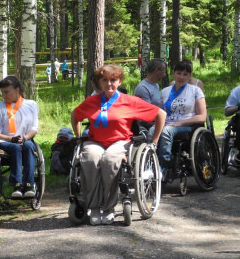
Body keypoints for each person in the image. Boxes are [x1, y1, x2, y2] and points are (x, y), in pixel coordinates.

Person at [71, 64, 166, 226]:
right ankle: (94, 207)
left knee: (109, 160)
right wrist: (78, 137)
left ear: (119, 82)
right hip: (95, 141)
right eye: (105, 80)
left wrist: (155, 141)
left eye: (113, 80)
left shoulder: (130, 101)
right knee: (90, 158)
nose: (109, 84)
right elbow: (75, 115)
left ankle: (108, 208)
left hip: (120, 142)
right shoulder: (91, 101)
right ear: (99, 83)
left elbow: (160, 114)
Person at [0, 76, 39, 198]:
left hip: (25, 139)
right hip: (4, 142)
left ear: (17, 90)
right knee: (15, 148)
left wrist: (25, 138)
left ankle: (28, 185)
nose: (3, 95)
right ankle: (17, 184)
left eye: (7, 92)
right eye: (2, 92)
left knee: (29, 146)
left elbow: (34, 128)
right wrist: (11, 139)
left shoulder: (31, 105)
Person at [157, 61, 207, 176]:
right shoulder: (165, 91)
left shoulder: (195, 90)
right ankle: (151, 163)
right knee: (150, 132)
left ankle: (164, 166)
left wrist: (180, 123)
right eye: (179, 73)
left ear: (189, 76)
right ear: (173, 73)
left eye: (185, 74)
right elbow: (159, 112)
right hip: (167, 123)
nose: (181, 77)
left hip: (188, 126)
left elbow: (202, 116)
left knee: (166, 131)